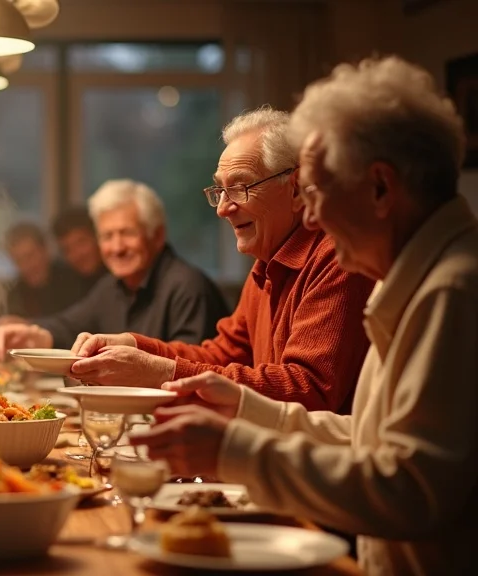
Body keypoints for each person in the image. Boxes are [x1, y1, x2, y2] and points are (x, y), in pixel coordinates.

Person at [130, 56, 478, 575]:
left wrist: (236, 450)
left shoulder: (452, 291)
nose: (310, 217)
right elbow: (367, 439)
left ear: (380, 188)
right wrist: (243, 407)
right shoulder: (417, 277)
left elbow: (410, 492)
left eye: (316, 192)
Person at [70, 107, 374, 413]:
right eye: (220, 190)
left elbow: (308, 389)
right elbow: (221, 355)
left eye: (240, 188)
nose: (222, 209)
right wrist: (134, 345)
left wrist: (159, 372)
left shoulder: (337, 258)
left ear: (295, 189)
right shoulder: (267, 264)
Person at [0, 180, 228, 359]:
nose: (116, 248)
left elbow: (193, 364)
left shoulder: (188, 286)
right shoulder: (112, 287)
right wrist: (33, 333)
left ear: (157, 236)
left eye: (127, 233)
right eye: (107, 236)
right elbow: (70, 325)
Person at [3, 220, 90, 319]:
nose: (27, 265)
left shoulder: (74, 279)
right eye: (19, 260)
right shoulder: (15, 294)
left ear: (45, 250)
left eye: (30, 256)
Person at [51, 205, 106, 292]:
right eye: (67, 250)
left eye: (81, 243)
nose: (77, 255)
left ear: (97, 237)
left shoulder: (122, 275)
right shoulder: (68, 288)